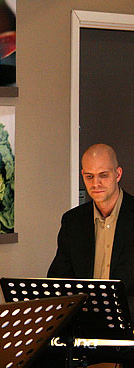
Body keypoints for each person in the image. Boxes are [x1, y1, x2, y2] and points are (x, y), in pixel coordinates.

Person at [47, 143, 134, 366]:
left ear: (118, 174)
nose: (95, 183)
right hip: (85, 327)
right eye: (89, 176)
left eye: (103, 175)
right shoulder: (72, 221)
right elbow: (58, 278)